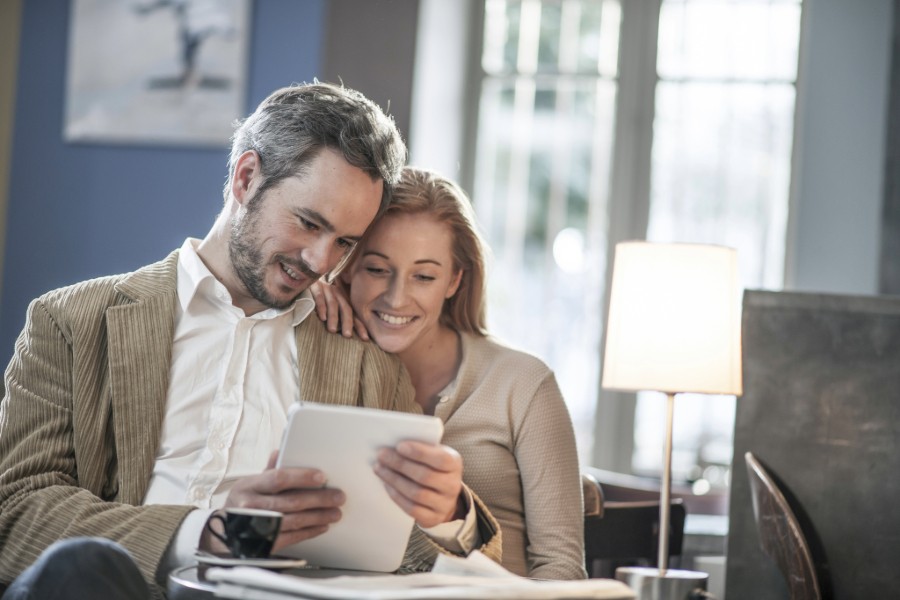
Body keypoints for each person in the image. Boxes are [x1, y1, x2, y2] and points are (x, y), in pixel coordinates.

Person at [0, 83, 500, 598]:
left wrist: (446, 516)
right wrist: (214, 531)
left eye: (346, 242)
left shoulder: (363, 360)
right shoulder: (73, 321)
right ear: (245, 178)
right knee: (83, 567)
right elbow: (14, 511)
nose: (321, 262)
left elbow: (407, 555)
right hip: (113, 586)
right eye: (308, 223)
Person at [310, 167, 586, 579]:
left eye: (424, 276)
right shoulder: (316, 357)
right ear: (348, 266)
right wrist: (300, 298)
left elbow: (562, 568)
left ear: (455, 280)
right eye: (376, 269)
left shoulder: (524, 384)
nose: (396, 297)